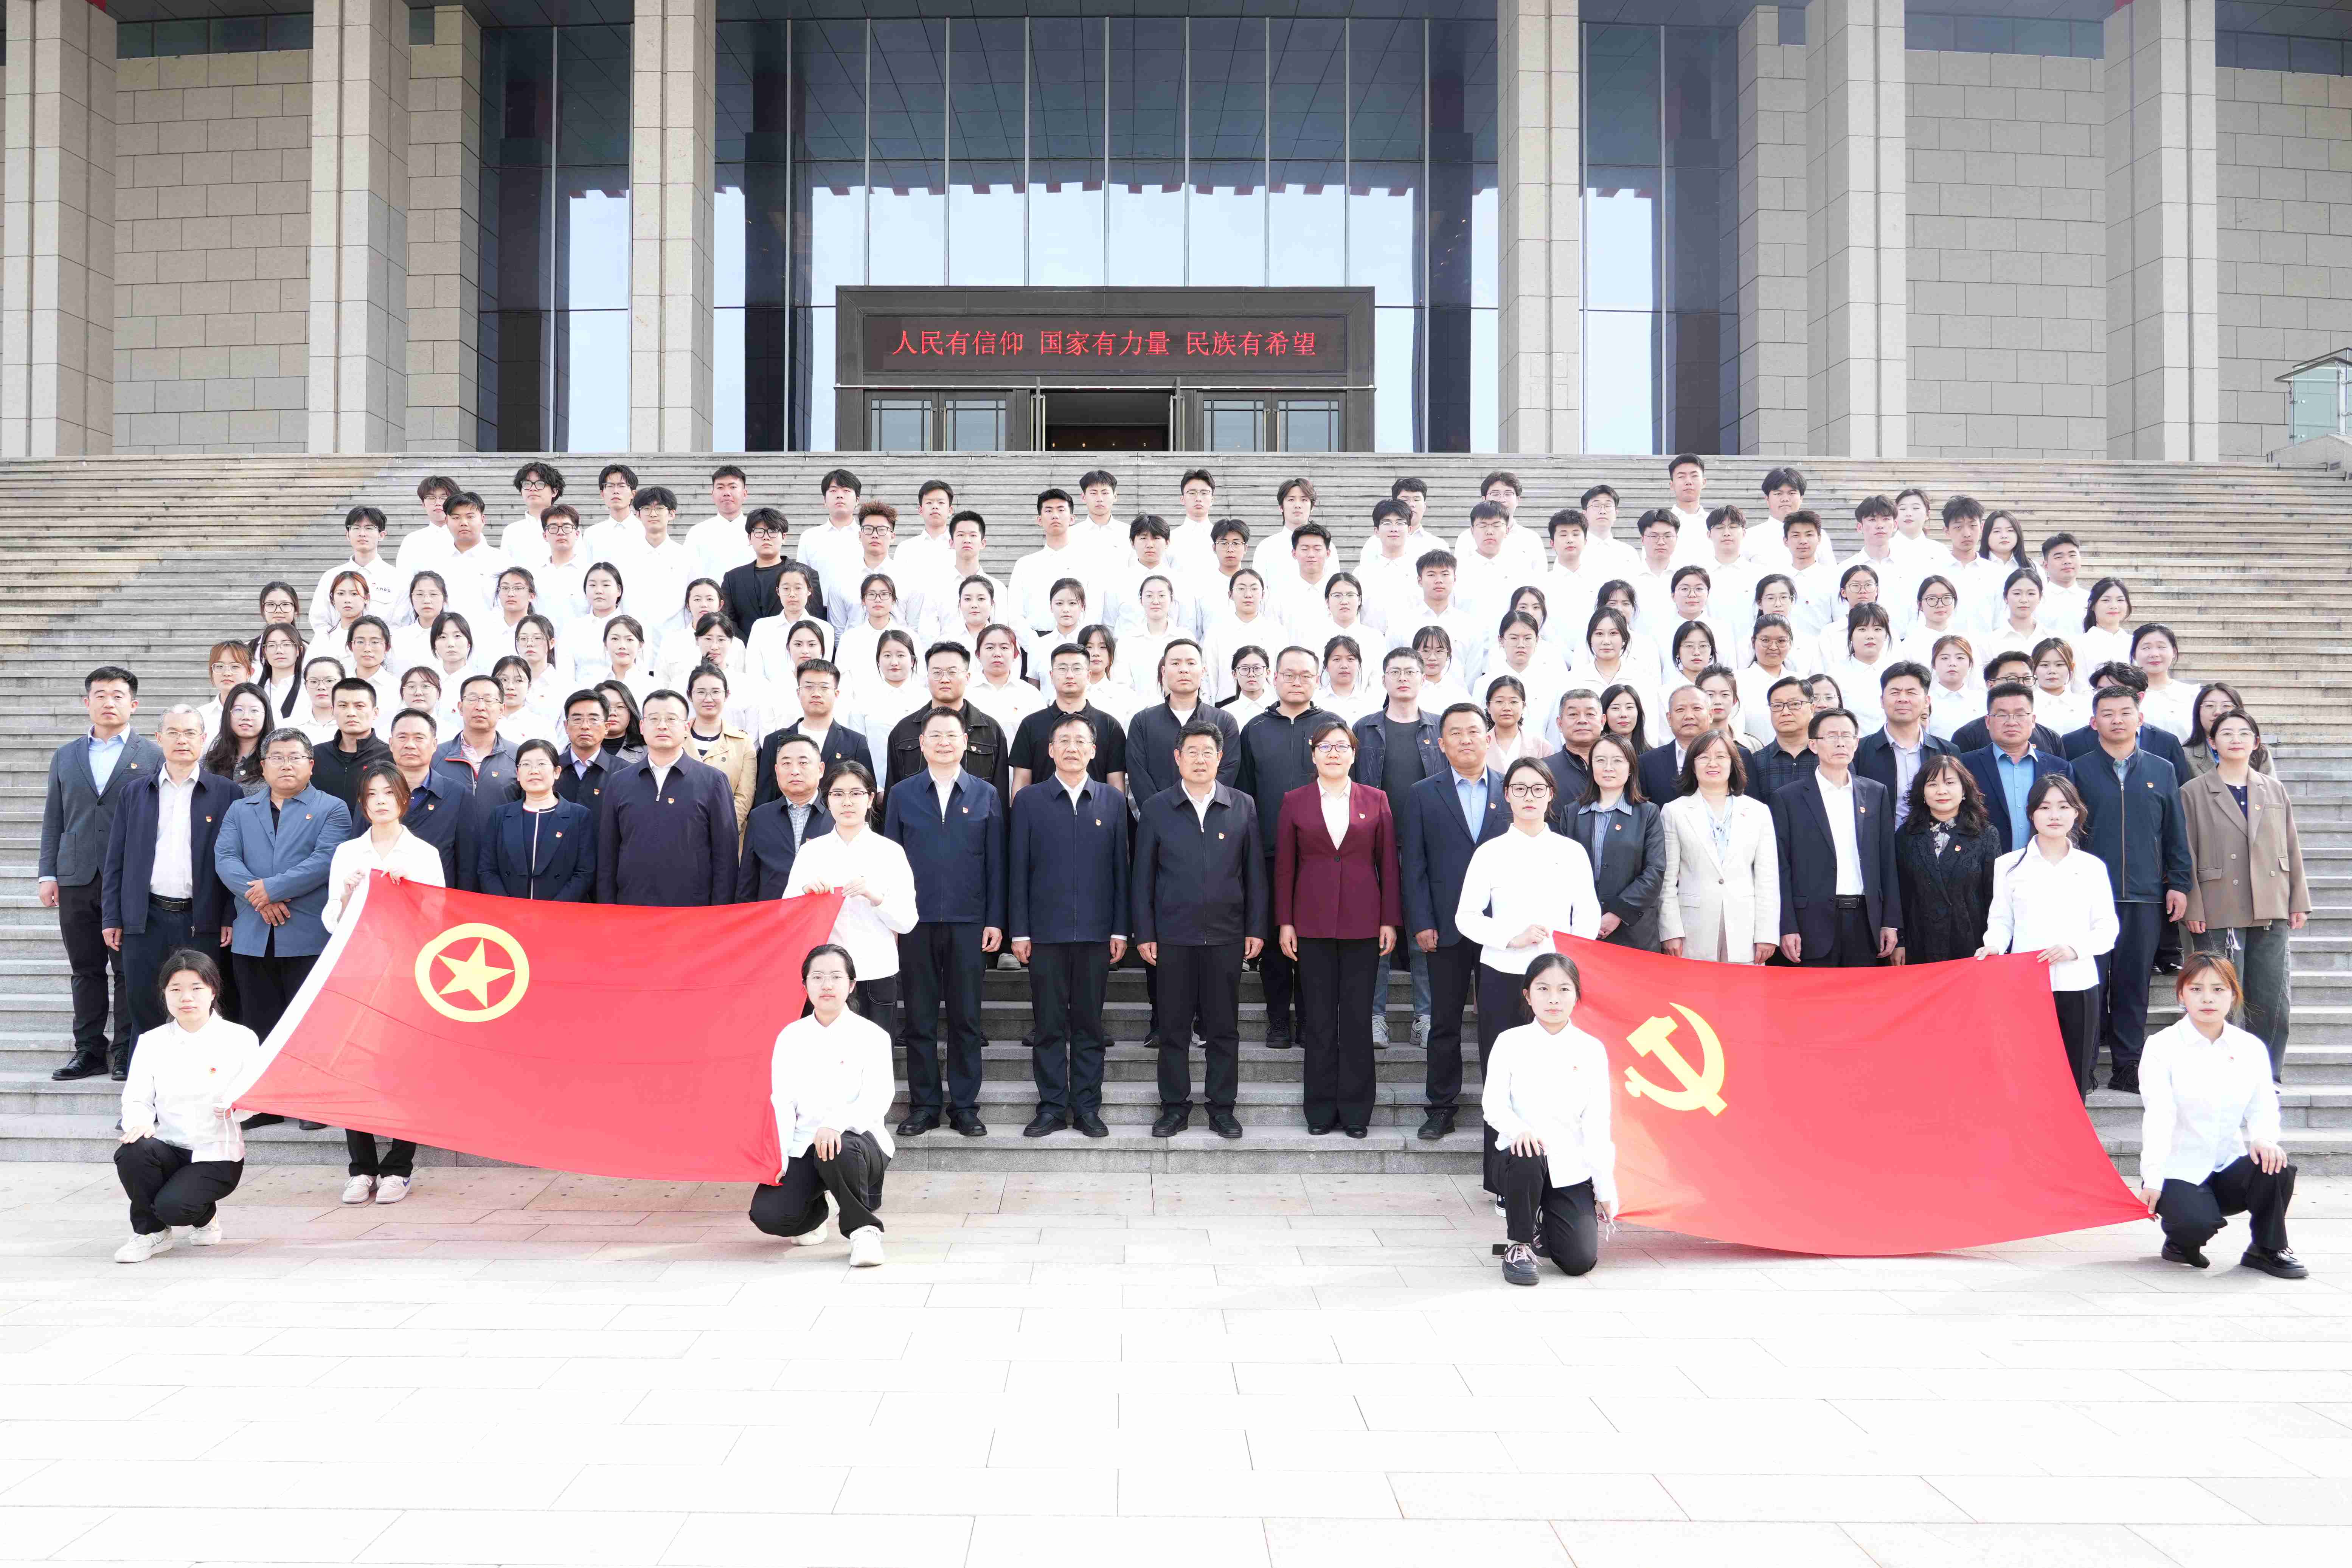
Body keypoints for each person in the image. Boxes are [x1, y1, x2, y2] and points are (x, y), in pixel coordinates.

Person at [1455, 758, 1602, 1199]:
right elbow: (1466, 916)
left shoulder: (1570, 852)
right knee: (1504, 1077)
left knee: (1560, 1080)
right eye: (1519, 789)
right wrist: (1510, 938)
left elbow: (1588, 913)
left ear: (1551, 795)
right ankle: (1506, 1183)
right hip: (1504, 975)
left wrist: (1567, 958)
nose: (1529, 797)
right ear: (1507, 796)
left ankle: (1563, 1178)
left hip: (1558, 982)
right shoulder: (1491, 852)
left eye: (1538, 789)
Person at [317, 762, 447, 1201]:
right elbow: (332, 920)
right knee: (354, 1069)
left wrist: (408, 892)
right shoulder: (348, 853)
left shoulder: (423, 854)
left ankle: (399, 1168)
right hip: (359, 973)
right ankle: (361, 1168)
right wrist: (349, 894)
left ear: (404, 800)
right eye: (372, 795)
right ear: (363, 803)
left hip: (406, 976)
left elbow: (436, 920)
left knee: (404, 1070)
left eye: (388, 793)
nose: (380, 801)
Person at [1132, 721, 1265, 1140]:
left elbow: (1255, 873)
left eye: (1208, 752)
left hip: (1226, 935)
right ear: (1178, 758)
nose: (1200, 759)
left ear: (1220, 758)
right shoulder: (1157, 807)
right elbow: (1142, 877)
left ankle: (1222, 1108)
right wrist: (1145, 932)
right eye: (1192, 751)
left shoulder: (1242, 805)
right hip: (1173, 936)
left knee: (1223, 1028)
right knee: (1173, 1028)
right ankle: (1174, 1108)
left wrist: (1256, 928)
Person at [2137, 954, 2306, 1278]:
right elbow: (2159, 1116)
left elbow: (2262, 1104)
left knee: (2276, 1167)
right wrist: (2153, 1178)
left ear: (2233, 995)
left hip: (2226, 1165)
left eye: (2218, 989)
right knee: (2193, 1224)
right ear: (2181, 994)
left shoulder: (2249, 1047)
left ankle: (2267, 1249)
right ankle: (2179, 1241)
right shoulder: (2161, 1046)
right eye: (2196, 989)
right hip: (2178, 1169)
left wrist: (2263, 1139)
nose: (2207, 999)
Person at [1275, 717, 1401, 1139]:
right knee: (1318, 1020)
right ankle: (1319, 1110)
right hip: (1310, 924)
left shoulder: (1376, 799)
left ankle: (1356, 1112)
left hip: (1363, 924)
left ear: (1353, 754)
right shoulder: (1294, 801)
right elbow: (1285, 866)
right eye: (1325, 747)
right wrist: (1285, 922)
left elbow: (1388, 864)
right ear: (1313, 755)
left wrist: (1389, 920)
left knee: (1357, 1019)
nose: (1334, 753)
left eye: (1342, 747)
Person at [883, 708, 1005, 1140]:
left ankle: (965, 1107)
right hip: (914, 923)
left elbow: (996, 863)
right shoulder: (902, 794)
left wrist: (995, 920)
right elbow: (890, 861)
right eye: (934, 735)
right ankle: (924, 1106)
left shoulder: (986, 794)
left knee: (966, 1019)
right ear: (922, 743)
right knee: (918, 1019)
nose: (943, 743)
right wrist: (892, 918)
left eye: (952, 735)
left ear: (965, 742)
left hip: (969, 921)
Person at [1008, 712, 1130, 1140]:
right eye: (1064, 741)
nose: (1072, 748)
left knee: (1090, 1026)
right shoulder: (1029, 800)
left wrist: (1120, 929)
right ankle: (1051, 1108)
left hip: (1097, 934)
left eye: (1081, 741)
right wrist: (1019, 930)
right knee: (1048, 1026)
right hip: (1044, 934)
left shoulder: (1111, 801)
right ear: (1050, 750)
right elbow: (1017, 868)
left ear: (1094, 751)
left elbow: (1121, 870)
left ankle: (1087, 1108)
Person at [40, 667, 164, 1081]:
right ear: (87, 702)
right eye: (100, 695)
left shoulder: (154, 755)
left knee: (129, 968)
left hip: (130, 878)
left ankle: (126, 1050)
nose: (108, 702)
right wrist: (47, 874)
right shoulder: (66, 756)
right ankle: (89, 1050)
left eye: (117, 695)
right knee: (85, 969)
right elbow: (54, 819)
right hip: (76, 876)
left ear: (134, 704)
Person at [1398, 703, 1511, 1141]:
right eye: (1456, 734)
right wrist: (1421, 921)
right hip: (1445, 927)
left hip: (1502, 930)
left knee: (1499, 1023)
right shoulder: (1423, 794)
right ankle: (1441, 1107)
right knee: (1444, 1021)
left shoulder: (1512, 789)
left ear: (1488, 737)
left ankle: (1501, 1108)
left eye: (1473, 731)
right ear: (1441, 744)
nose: (1466, 740)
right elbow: (1414, 865)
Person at [2179, 709, 2309, 1082]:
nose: (2235, 739)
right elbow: (2186, 853)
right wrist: (2193, 905)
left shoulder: (2273, 789)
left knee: (2272, 996)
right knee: (2219, 996)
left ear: (2256, 743)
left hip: (2271, 902)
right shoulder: (2193, 792)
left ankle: (2267, 1076)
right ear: (2212, 742)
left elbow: (2291, 845)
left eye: (2244, 733)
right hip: (2218, 904)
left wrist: (2298, 900)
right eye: (2226, 733)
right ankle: (2225, 1074)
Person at [2076, 685, 2192, 1094]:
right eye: (2107, 714)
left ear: (2140, 719)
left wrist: (2179, 884)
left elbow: (2176, 832)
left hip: (2144, 896)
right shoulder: (2077, 770)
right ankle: (2085, 1066)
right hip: (2090, 898)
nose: (2117, 720)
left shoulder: (2163, 769)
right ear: (2094, 723)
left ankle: (2128, 1065)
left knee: (2133, 984)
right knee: (2090, 984)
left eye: (2125, 712)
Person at [100, 705, 237, 1051]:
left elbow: (235, 860)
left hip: (202, 917)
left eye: (190, 733)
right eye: (173, 733)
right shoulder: (135, 793)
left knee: (201, 1004)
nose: (182, 740)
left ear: (203, 740)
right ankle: (146, 1079)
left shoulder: (226, 792)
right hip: (146, 916)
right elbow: (115, 860)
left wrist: (228, 915)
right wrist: (113, 916)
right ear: (159, 738)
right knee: (145, 1004)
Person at [109, 952, 260, 1263]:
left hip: (217, 1154)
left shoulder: (240, 1038)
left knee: (174, 1208)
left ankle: (204, 1216)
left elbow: (255, 1096)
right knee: (134, 1149)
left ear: (213, 991)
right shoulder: (152, 1041)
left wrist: (237, 1109)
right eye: (175, 989)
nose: (186, 998)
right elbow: (136, 1097)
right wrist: (140, 1123)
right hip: (170, 1147)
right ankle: (150, 1233)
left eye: (196, 988)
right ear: (164, 994)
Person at [749, 944, 893, 1268]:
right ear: (805, 985)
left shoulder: (871, 1035)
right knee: (770, 1216)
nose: (826, 985)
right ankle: (820, 1210)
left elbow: (878, 1098)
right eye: (817, 977)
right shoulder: (791, 1036)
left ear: (851, 985)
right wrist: (780, 1157)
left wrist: (835, 1124)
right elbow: (782, 1101)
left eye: (836, 977)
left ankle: (864, 1232)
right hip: (804, 1144)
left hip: (858, 1145)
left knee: (837, 1148)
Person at [1978, 774, 2117, 1097]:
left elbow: (2107, 928)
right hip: (2025, 984)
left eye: (2063, 807)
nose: (2054, 815)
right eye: (2044, 807)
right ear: (2031, 814)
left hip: (2078, 982)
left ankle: (2073, 1130)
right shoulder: (2008, 865)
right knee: (2027, 1073)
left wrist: (2074, 949)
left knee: (2074, 1074)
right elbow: (2001, 921)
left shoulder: (2092, 867)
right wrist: (1993, 946)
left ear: (2076, 813)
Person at [213, 729, 352, 1046]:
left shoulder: (333, 808)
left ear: (311, 765)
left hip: (309, 938)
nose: (286, 765)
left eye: (295, 757)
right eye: (277, 758)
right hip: (253, 937)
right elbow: (226, 859)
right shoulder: (240, 809)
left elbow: (325, 860)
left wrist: (271, 890)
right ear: (263, 766)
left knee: (310, 1032)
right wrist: (262, 898)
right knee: (258, 1030)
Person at [1487, 953, 1615, 1285]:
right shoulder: (1509, 1042)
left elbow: (1597, 1122)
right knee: (1528, 1152)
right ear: (1528, 995)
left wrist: (1605, 1188)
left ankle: (1543, 1227)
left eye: (1564, 989)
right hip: (1518, 1161)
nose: (1553, 999)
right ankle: (1518, 1245)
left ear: (1576, 996)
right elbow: (1493, 1105)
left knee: (1578, 1262)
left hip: (1569, 1165)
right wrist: (1519, 1130)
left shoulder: (1591, 1049)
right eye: (1543, 989)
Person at [1235, 647, 1332, 1052]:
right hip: (1269, 853)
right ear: (1273, 678)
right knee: (1274, 941)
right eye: (1288, 674)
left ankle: (1309, 1020)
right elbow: (1244, 794)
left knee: (1313, 941)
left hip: (1321, 856)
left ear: (1317, 680)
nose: (1296, 682)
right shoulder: (1255, 728)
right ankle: (1278, 1019)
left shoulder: (1331, 728)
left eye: (1305, 675)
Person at [782, 761, 919, 1035]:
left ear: (870, 799)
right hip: (825, 977)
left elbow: (907, 922)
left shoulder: (890, 852)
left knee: (875, 1056)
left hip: (874, 972)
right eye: (838, 794)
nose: (847, 802)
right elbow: (786, 917)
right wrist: (805, 894)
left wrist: (875, 897)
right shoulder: (811, 852)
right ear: (828, 800)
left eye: (856, 793)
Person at [1771, 708, 1900, 968]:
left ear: (1856, 742)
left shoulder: (1876, 793)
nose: (1840, 743)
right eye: (1831, 736)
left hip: (1866, 922)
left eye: (1847, 736)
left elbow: (1887, 861)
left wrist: (1890, 921)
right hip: (1810, 924)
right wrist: (1787, 926)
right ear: (1813, 745)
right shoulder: (1787, 798)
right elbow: (1780, 868)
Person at [595, 690, 739, 907]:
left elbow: (725, 856)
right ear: (642, 727)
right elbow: (608, 854)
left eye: (672, 719)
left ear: (686, 727)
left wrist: (720, 912)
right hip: (632, 905)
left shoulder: (713, 782)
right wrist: (608, 907)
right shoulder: (619, 782)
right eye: (654, 719)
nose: (662, 726)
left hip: (693, 908)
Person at [1659, 731, 1780, 965]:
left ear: (1733, 764)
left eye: (1721, 757)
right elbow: (1667, 880)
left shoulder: (1758, 812)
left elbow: (1768, 878)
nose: (1712, 763)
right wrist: (1670, 931)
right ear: (1692, 765)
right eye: (1704, 757)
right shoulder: (1674, 811)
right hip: (1692, 929)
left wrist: (1767, 934)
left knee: (1743, 988)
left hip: (1746, 927)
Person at [1891, 754, 1999, 967]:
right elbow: (1899, 894)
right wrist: (1900, 942)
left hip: (1972, 943)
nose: (1942, 791)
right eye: (1933, 784)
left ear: (1964, 790)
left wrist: (1994, 941)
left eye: (1950, 783)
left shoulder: (1986, 834)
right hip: (1919, 941)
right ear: (1922, 793)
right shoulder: (1906, 835)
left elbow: (1994, 895)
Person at [1573, 733, 1665, 952]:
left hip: (1633, 930)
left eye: (1617, 761)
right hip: (1582, 928)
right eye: (1600, 760)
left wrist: (1617, 913)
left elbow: (1655, 871)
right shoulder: (1573, 813)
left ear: (1631, 768)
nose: (1608, 768)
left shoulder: (1648, 813)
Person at [882, 643, 1009, 799]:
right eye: (937, 673)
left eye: (952, 672)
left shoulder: (990, 731)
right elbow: (893, 794)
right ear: (927, 678)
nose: (944, 679)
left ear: (967, 677)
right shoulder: (904, 731)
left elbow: (1000, 796)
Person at [1960, 681, 2075, 854]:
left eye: (2020, 715)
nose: (2011, 722)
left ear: (2033, 720)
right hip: (1985, 863)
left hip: (2044, 861)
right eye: (2002, 715)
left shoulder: (2060, 767)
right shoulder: (1966, 765)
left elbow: (2070, 820)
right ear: (1988, 722)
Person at [477, 739, 596, 901]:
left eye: (541, 764)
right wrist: (506, 906)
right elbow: (487, 870)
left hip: (561, 911)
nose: (534, 771)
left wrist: (553, 909)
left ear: (557, 772)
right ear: (518, 773)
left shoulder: (579, 816)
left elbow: (584, 873)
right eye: (526, 765)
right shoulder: (500, 816)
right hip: (509, 910)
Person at [1008, 643, 1128, 796]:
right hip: (1041, 810)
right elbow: (1021, 783)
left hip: (1096, 811)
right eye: (1062, 669)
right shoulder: (1031, 725)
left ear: (1089, 676)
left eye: (1077, 669)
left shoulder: (1110, 726)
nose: (1070, 675)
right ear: (1051, 676)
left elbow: (1116, 785)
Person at [1854, 661, 1951, 827]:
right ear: (1882, 701)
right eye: (1895, 692)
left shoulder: (1947, 751)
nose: (1903, 699)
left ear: (1927, 701)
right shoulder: (1859, 751)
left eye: (1911, 693)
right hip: (1878, 840)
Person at [737, 735, 832, 901]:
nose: (795, 771)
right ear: (776, 770)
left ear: (821, 769)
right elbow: (748, 882)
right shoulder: (760, 817)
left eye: (803, 763)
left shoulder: (837, 817)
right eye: (786, 764)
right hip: (771, 913)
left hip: (822, 912)